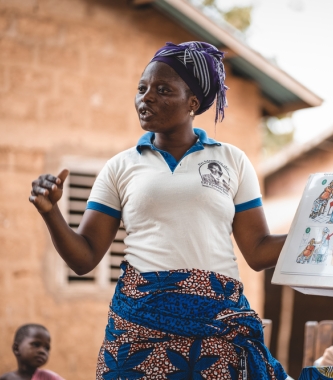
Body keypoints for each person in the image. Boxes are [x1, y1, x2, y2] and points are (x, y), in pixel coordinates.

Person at [29, 41, 289, 379]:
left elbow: (257, 251)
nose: (146, 97)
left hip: (216, 328)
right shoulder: (119, 166)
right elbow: (84, 257)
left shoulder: (232, 160)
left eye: (163, 89)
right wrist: (51, 212)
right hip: (139, 325)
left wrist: (313, 234)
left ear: (193, 103)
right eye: (142, 88)